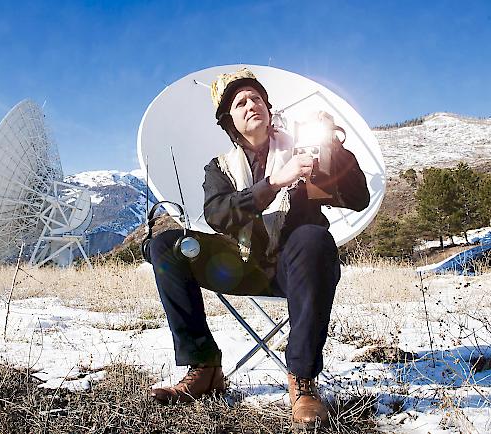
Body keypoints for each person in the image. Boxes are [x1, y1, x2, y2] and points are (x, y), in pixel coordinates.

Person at [147, 67, 370, 428]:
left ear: (269, 108)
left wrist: (334, 149)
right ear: (229, 121)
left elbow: (358, 198)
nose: (251, 104)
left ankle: (303, 381)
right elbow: (219, 215)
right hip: (239, 264)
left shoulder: (305, 157)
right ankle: (204, 368)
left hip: (294, 270)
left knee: (313, 237)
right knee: (169, 246)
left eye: (256, 98)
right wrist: (273, 184)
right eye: (240, 102)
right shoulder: (220, 168)